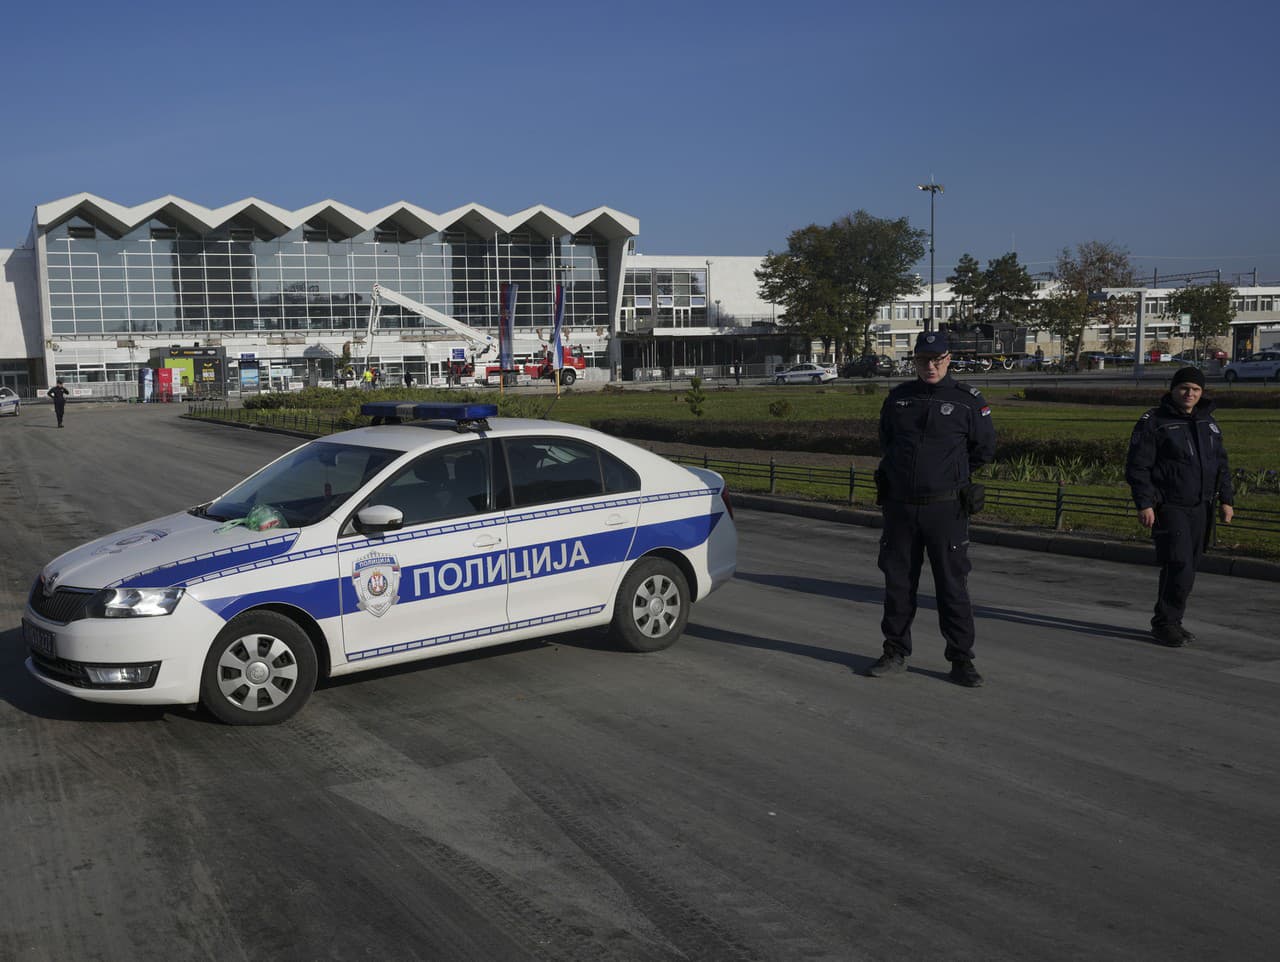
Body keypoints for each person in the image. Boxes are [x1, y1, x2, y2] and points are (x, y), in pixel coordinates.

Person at [867, 330, 997, 687]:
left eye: (937, 359)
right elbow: (887, 441)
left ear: (948, 360)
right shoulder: (899, 399)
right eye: (923, 360)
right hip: (901, 509)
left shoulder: (968, 400)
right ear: (915, 362)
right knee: (898, 585)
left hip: (946, 509)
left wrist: (950, 475)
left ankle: (960, 660)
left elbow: (983, 449)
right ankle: (894, 652)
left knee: (952, 587)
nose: (930, 366)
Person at [1124, 366, 1233, 646]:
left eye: (1196, 390)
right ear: (1173, 390)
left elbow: (1221, 465)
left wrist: (1226, 500)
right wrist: (1145, 503)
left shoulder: (1208, 423)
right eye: (1184, 388)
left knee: (1187, 566)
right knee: (1179, 563)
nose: (1190, 394)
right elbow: (1138, 466)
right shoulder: (1155, 421)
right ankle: (1164, 624)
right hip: (1169, 505)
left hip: (1201, 506)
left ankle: (1171, 619)